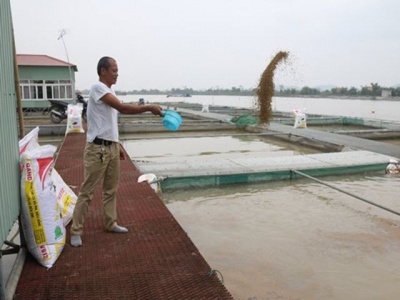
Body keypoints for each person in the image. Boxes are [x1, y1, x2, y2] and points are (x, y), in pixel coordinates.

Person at [70, 56, 163, 247]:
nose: (117, 74)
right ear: (103, 71)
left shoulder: (109, 91)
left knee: (110, 190)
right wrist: (148, 107)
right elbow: (122, 108)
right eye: (113, 70)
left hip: (110, 147)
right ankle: (76, 230)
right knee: (87, 191)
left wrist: (117, 144)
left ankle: (110, 223)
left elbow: (108, 123)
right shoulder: (98, 88)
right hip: (97, 149)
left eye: (117, 70)